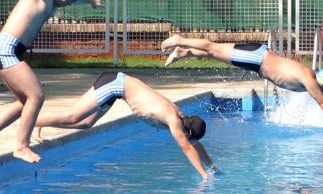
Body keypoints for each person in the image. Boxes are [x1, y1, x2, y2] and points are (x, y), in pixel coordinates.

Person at [0, 0, 103, 163]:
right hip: (7, 48)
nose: (68, 4)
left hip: (12, 50)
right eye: (70, 0)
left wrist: (91, 1)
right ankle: (21, 146)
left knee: (25, 102)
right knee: (37, 96)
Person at [162, 34, 323, 139]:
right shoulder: (309, 79)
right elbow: (322, 102)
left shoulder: (315, 79)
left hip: (257, 59)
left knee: (215, 54)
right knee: (213, 48)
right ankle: (181, 40)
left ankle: (184, 52)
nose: (322, 92)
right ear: (319, 82)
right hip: (257, 58)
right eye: (322, 88)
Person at [33, 71, 218, 179]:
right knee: (73, 117)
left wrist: (211, 166)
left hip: (117, 87)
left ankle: (37, 123)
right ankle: (33, 123)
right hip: (114, 83)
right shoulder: (174, 121)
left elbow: (193, 144)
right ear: (187, 130)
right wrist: (203, 176)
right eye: (189, 136)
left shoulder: (183, 118)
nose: (189, 139)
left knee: (86, 124)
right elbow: (187, 148)